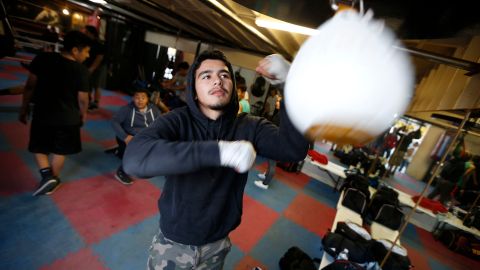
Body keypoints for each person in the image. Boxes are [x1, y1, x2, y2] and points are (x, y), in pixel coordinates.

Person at [122, 50, 308, 269]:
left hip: (218, 243)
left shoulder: (249, 126)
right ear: (194, 89)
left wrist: (290, 85)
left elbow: (294, 150)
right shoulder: (178, 120)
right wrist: (219, 152)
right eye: (206, 76)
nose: (217, 80)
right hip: (173, 242)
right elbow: (134, 160)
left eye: (224, 75)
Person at [18, 30, 91, 196]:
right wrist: (83, 114)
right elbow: (83, 99)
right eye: (86, 51)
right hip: (69, 119)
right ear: (75, 50)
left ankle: (46, 176)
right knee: (60, 151)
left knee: (39, 147)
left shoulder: (43, 58)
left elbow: (29, 86)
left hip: (42, 115)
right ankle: (52, 180)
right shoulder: (81, 71)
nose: (87, 56)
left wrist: (23, 108)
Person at [111, 88, 161, 185]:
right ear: (133, 98)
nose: (140, 100)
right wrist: (125, 137)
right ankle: (121, 171)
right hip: (128, 138)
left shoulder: (154, 110)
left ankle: (120, 152)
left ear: (147, 99)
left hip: (146, 138)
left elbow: (160, 123)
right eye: (137, 97)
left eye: (143, 97)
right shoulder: (127, 110)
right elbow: (114, 122)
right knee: (137, 150)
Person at [255, 96, 282, 189]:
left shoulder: (282, 115)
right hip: (275, 140)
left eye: (278, 101)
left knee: (272, 163)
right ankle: (266, 175)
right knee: (270, 161)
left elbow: (278, 129)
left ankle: (265, 184)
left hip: (276, 141)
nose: (276, 103)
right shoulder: (280, 113)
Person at [83, 25, 106, 111]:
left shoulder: (99, 44)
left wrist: (92, 68)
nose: (85, 34)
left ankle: (95, 103)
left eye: (87, 32)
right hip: (88, 65)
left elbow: (99, 58)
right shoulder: (86, 42)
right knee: (87, 84)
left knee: (96, 84)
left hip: (99, 66)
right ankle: (88, 101)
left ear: (92, 34)